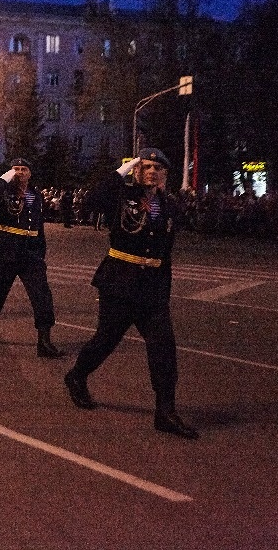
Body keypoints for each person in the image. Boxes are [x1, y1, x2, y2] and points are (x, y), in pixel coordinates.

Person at [64, 149, 199, 439]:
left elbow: (166, 248)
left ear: (165, 174)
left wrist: (164, 286)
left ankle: (165, 411)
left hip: (153, 288)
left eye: (157, 168)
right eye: (145, 166)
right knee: (106, 340)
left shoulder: (169, 205)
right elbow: (91, 201)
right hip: (120, 282)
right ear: (136, 170)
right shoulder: (121, 197)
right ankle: (77, 375)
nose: (151, 171)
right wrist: (121, 171)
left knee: (164, 347)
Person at [0, 158, 61, 358]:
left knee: (42, 295)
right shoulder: (4, 191)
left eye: (24, 169)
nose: (20, 172)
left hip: (30, 250)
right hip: (5, 246)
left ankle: (44, 341)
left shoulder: (36, 194)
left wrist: (41, 252)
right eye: (16, 169)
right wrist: (2, 181)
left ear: (30, 173)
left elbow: (38, 225)